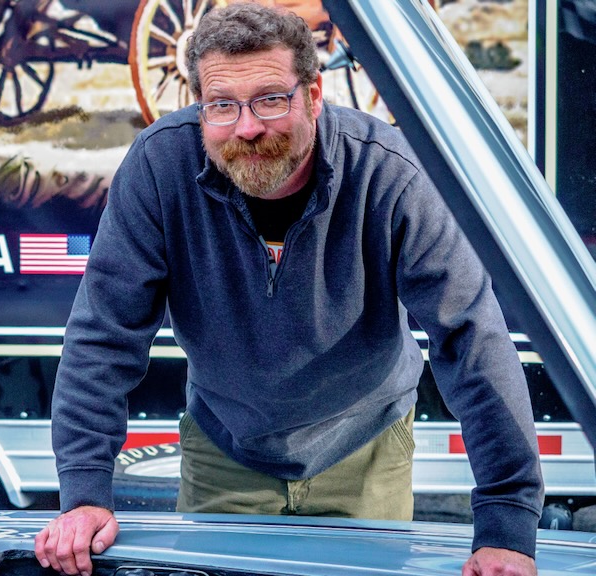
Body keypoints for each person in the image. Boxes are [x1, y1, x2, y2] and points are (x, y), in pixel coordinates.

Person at [35, 3, 543, 576]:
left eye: (270, 99)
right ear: (199, 106)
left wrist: (507, 523)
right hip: (225, 450)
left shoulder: (388, 174)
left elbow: (469, 338)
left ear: (314, 95)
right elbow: (104, 335)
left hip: (364, 446)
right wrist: (83, 494)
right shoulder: (159, 168)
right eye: (222, 105)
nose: (247, 127)